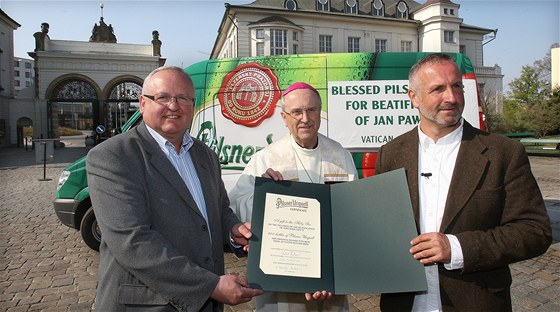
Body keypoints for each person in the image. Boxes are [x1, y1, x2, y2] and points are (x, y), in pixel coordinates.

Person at [374, 53, 552, 311]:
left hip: (476, 301)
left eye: (456, 86)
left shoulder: (503, 153)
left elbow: (535, 231)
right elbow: (379, 227)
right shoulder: (390, 153)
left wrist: (456, 248)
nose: (451, 97)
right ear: (413, 97)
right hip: (404, 303)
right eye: (438, 89)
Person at [87, 66, 263, 311]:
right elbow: (131, 241)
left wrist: (232, 229)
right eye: (163, 97)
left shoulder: (206, 155)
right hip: (146, 305)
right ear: (142, 103)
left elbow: (219, 209)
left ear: (193, 105)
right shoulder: (113, 156)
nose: (174, 105)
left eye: (183, 98)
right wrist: (209, 286)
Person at [229, 82, 358, 311]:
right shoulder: (266, 158)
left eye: (311, 110)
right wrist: (264, 194)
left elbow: (353, 213)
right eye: (297, 112)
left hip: (331, 275)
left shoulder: (340, 155)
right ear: (284, 117)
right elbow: (238, 205)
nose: (305, 118)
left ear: (320, 113)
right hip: (284, 277)